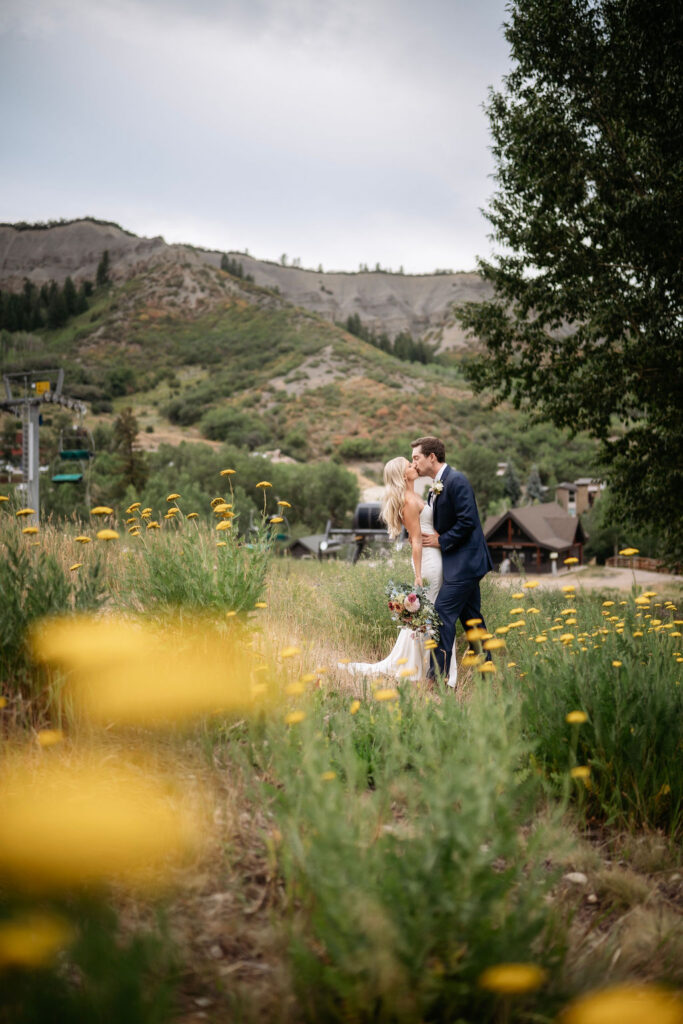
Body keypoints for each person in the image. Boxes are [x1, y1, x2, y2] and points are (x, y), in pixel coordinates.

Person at [339, 455, 458, 687]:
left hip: (434, 555)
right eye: (409, 465)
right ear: (404, 475)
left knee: (430, 613)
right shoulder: (408, 501)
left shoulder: (414, 496)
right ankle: (423, 668)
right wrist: (417, 574)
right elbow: (415, 541)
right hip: (428, 562)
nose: (414, 466)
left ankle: (427, 665)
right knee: (431, 613)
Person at [411, 436, 493, 682]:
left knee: (442, 613)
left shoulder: (456, 481)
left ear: (432, 457)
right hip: (456, 562)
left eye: (417, 458)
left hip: (466, 563)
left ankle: (436, 678)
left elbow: (468, 521)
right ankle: (487, 674)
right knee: (472, 619)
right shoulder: (436, 485)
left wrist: (441, 540)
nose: (414, 463)